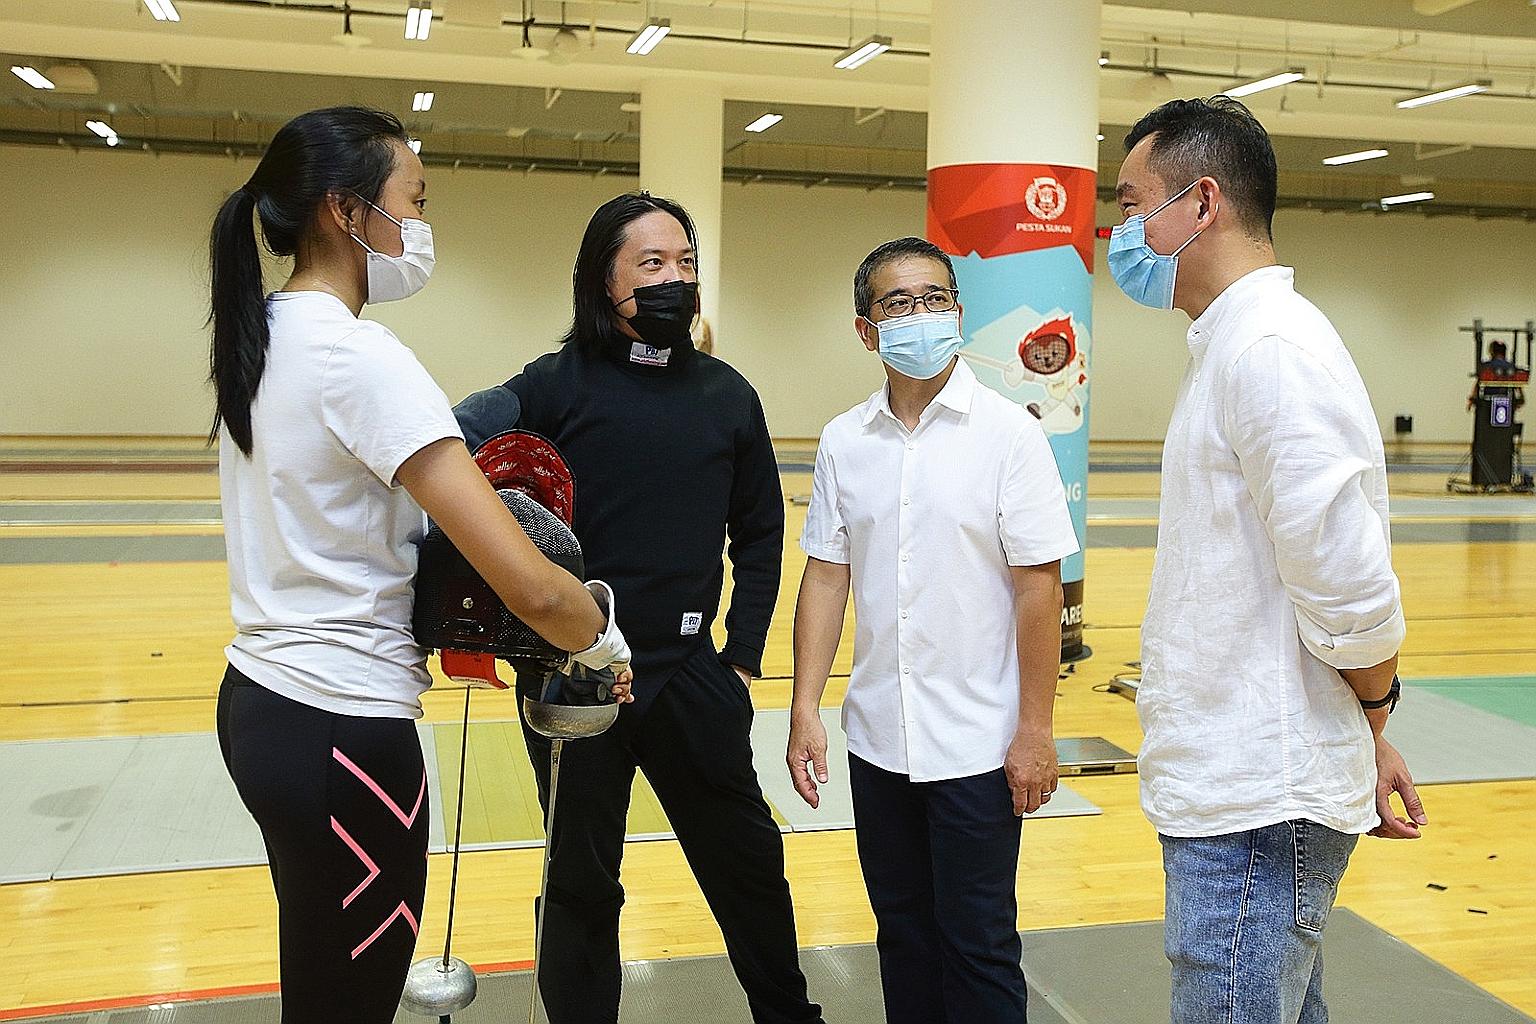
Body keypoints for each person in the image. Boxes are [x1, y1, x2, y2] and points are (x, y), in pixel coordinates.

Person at [207, 106, 632, 1024]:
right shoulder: (358, 357)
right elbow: (529, 583)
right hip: (342, 722)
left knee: (321, 983)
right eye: (415, 200)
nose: (420, 223)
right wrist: (600, 640)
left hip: (260, 703)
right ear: (345, 210)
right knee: (350, 997)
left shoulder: (264, 335)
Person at [1108, 96, 1426, 1024]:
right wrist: (1365, 733)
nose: (1120, 234)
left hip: (1256, 809)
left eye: (1132, 206)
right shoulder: (1229, 347)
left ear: (1202, 203)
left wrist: (1373, 713)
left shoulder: (1270, 351)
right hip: (1242, 789)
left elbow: (1349, 588)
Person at [471, 191, 823, 1024]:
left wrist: (741, 660)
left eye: (686, 262)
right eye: (653, 263)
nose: (675, 279)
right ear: (605, 279)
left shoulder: (727, 394)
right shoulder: (550, 385)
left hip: (691, 674)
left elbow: (760, 532)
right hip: (575, 678)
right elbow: (454, 451)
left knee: (747, 864)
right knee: (580, 882)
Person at [787, 236, 1080, 1024]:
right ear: (866, 329)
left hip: (979, 744)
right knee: (904, 938)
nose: (920, 314)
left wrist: (1036, 731)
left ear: (957, 311)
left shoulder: (1009, 435)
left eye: (935, 298)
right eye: (898, 302)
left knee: (978, 946)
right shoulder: (845, 441)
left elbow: (1039, 588)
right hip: (879, 737)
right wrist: (806, 707)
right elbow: (827, 575)